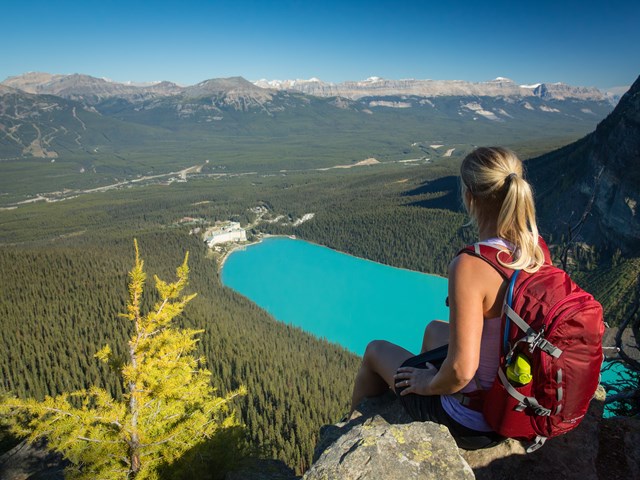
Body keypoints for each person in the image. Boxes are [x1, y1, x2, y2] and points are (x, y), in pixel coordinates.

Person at [350, 146, 546, 450]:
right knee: (432, 329)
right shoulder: (534, 250)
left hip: (472, 421)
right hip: (514, 398)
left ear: (469, 196)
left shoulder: (472, 265)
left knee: (375, 350)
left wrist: (426, 384)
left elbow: (461, 370)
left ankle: (350, 432)